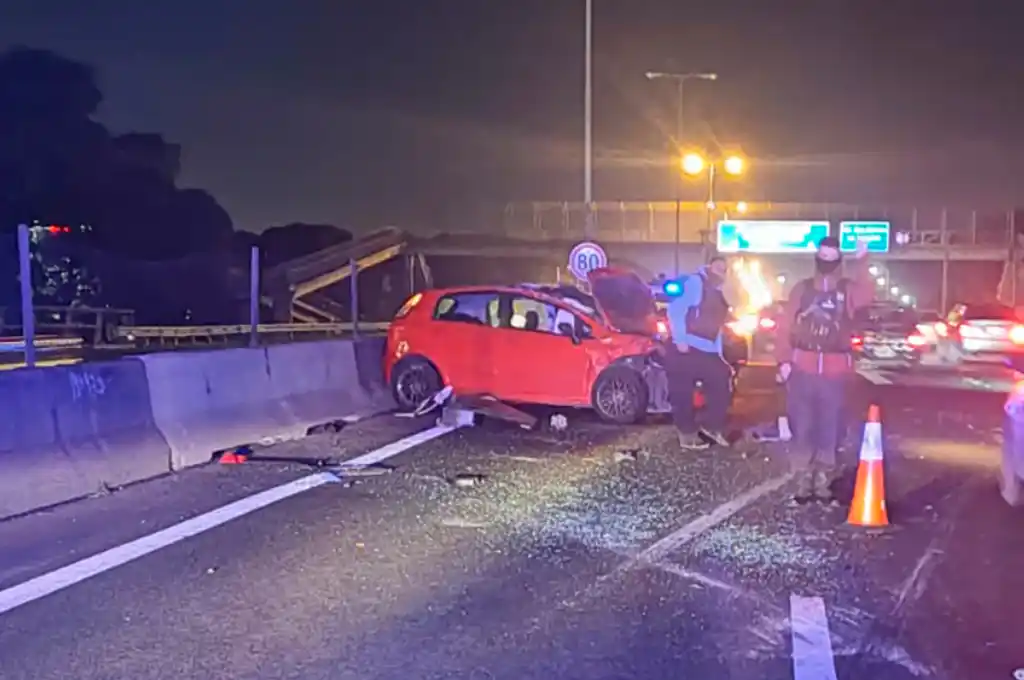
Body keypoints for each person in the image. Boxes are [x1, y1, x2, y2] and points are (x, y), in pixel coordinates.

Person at [774, 237, 873, 502]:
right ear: (817, 259)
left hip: (835, 371)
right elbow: (784, 326)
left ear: (838, 261)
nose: (826, 262)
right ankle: (802, 477)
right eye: (823, 256)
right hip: (802, 368)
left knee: (831, 426)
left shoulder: (848, 290)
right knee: (802, 425)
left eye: (832, 257)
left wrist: (863, 259)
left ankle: (823, 478)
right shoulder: (802, 290)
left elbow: (867, 294)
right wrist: (783, 360)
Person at [665, 255, 733, 450]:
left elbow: (716, 328)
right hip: (686, 346)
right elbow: (675, 310)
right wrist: (680, 340)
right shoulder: (696, 282)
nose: (722, 270)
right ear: (710, 266)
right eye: (718, 266)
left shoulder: (720, 291)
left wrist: (719, 356)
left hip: (707, 348)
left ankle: (712, 426)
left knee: (722, 382)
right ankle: (687, 435)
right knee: (682, 392)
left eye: (725, 268)